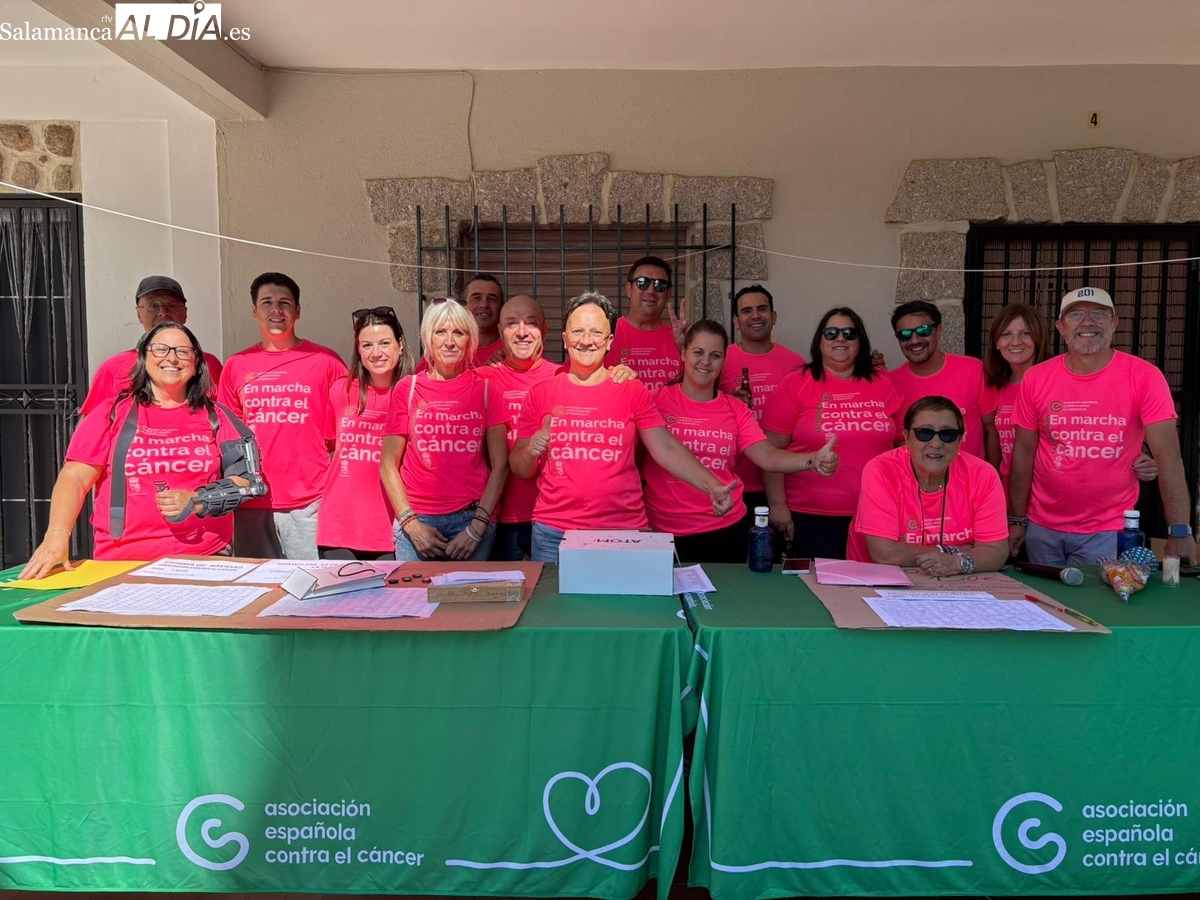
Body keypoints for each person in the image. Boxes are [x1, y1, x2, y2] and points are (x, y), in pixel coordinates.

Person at [20, 323, 261, 577]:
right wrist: (56, 535)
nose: (171, 358)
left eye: (182, 351)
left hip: (203, 559)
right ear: (144, 358)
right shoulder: (110, 413)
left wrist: (199, 499)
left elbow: (250, 482)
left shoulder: (217, 416)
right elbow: (75, 478)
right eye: (160, 349)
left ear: (195, 362)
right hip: (120, 562)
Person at [511, 292, 734, 564]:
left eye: (596, 332)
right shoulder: (541, 393)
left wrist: (712, 485)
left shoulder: (631, 389)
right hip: (555, 532)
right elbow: (520, 468)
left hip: (624, 531)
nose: (586, 340)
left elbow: (665, 448)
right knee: (556, 607)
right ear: (566, 338)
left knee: (627, 608)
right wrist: (532, 449)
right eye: (578, 331)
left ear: (609, 342)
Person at [1009, 286, 1197, 565]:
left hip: (1109, 531)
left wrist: (1180, 529)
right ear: (1061, 327)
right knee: (1043, 607)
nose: (1087, 322)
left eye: (1098, 314)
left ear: (1114, 323)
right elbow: (1023, 452)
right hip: (1042, 527)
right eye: (1076, 315)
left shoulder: (1144, 376)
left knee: (1097, 608)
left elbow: (1168, 456)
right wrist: (1016, 519)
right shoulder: (1036, 378)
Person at [644, 320, 839, 563]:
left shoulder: (734, 408)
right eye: (698, 352)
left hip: (725, 528)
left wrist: (812, 460)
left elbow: (767, 455)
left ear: (724, 360)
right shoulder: (654, 401)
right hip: (664, 531)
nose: (706, 362)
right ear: (683, 353)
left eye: (715, 355)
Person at [217, 272, 348, 559]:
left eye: (284, 303)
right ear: (254, 311)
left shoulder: (327, 362)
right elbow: (227, 438)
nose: (276, 310)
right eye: (267, 302)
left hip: (309, 501)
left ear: (298, 310)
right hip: (251, 500)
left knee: (313, 587)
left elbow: (344, 436)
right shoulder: (236, 366)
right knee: (258, 588)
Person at [762, 307, 904, 559]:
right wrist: (777, 505)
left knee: (870, 591)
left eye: (849, 333)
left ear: (860, 342)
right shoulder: (796, 382)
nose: (841, 339)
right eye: (831, 333)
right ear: (820, 341)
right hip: (810, 516)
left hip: (875, 514)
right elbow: (771, 449)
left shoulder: (882, 381)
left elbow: (903, 444)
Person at [380, 298, 508, 561]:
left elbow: (502, 465)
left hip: (471, 519)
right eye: (440, 332)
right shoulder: (408, 388)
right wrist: (411, 525)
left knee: (467, 600)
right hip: (417, 519)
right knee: (412, 602)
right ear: (428, 338)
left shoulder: (486, 390)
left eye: (458, 333)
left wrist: (477, 529)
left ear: (470, 340)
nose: (449, 341)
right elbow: (387, 464)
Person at [984, 302, 1157, 490]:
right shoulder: (991, 385)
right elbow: (988, 439)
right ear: (996, 343)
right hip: (1006, 492)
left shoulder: (1057, 379)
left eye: (1026, 333)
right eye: (1006, 334)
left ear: (1038, 338)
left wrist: (1143, 454)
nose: (1015, 342)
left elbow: (1092, 430)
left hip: (1049, 496)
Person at [847, 396, 1009, 575]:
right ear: (907, 437)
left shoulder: (983, 474)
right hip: (877, 580)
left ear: (959, 440)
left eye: (947, 434)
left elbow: (997, 551)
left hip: (955, 582)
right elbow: (885, 554)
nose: (936, 444)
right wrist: (957, 551)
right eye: (925, 433)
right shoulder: (881, 469)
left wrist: (956, 563)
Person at [316, 307, 412, 561]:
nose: (376, 353)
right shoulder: (340, 390)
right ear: (358, 349)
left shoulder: (413, 394)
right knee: (340, 602)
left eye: (385, 343)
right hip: (338, 526)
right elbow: (330, 447)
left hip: (391, 526)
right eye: (367, 345)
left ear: (400, 345)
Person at [479, 295, 561, 561]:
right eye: (513, 324)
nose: (522, 332)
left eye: (531, 324)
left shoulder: (564, 377)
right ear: (500, 331)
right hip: (496, 518)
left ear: (545, 331)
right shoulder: (480, 380)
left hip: (553, 519)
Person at [717, 284, 806, 519]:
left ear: (774, 317)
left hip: (783, 487)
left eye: (762, 309)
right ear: (736, 320)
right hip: (731, 483)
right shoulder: (720, 361)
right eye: (746, 311)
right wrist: (727, 404)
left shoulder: (795, 363)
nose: (755, 316)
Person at [80, 275, 223, 415]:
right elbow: (91, 425)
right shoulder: (113, 367)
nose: (163, 312)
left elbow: (225, 417)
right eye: (153, 306)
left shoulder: (209, 364)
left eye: (172, 305)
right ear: (139, 314)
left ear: (184, 313)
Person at [888, 300, 998, 461]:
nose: (914, 340)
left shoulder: (972, 370)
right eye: (905, 334)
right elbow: (898, 443)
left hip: (970, 482)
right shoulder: (891, 382)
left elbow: (991, 429)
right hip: (917, 484)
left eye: (923, 330)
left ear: (938, 330)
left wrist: (992, 478)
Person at [604, 256, 687, 391]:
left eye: (660, 285)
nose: (651, 291)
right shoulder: (605, 333)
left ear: (668, 293)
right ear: (629, 289)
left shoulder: (679, 339)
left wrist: (686, 349)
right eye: (643, 282)